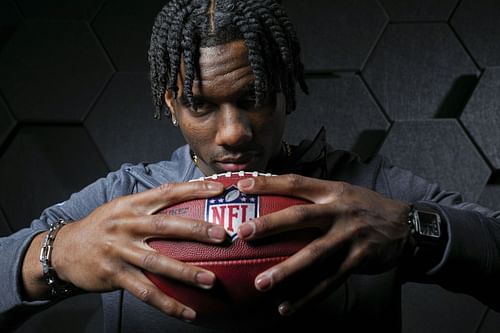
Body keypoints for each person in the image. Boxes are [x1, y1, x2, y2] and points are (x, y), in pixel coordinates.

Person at [1, 0, 499, 331]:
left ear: (287, 92)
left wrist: (414, 228)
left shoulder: (366, 192)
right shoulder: (124, 198)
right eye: (201, 105)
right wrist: (56, 253)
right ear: (172, 104)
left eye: (255, 96)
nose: (234, 131)